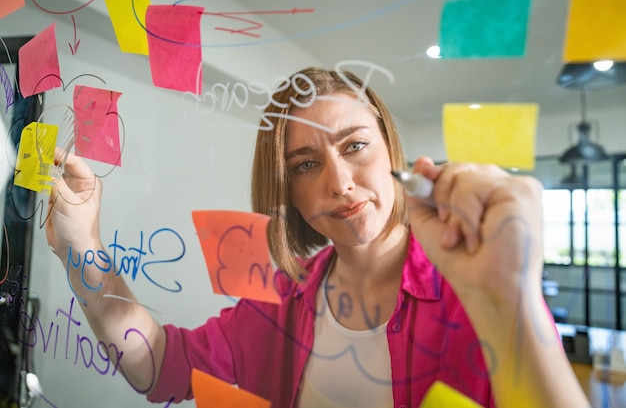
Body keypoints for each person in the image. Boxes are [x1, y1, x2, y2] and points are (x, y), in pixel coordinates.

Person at [46, 67, 590, 408]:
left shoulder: (475, 294)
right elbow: (159, 366)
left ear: (390, 150)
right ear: (290, 194)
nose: (339, 182)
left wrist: (510, 299)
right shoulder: (278, 301)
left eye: (355, 146)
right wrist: (81, 247)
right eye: (306, 164)